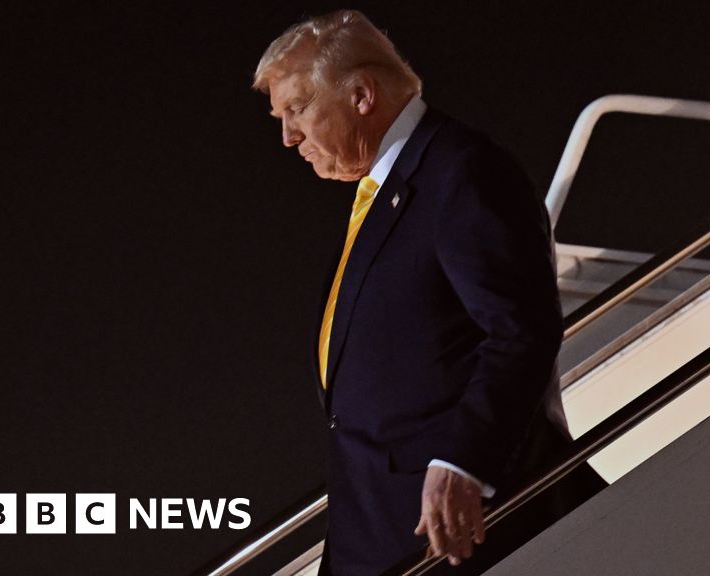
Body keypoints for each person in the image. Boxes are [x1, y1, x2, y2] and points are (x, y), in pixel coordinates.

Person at [253, 10, 605, 575]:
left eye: (297, 109)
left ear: (362, 95)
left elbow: (521, 330)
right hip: (375, 531)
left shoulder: (460, 171)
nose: (288, 136)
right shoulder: (386, 192)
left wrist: (464, 462)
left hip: (453, 531)